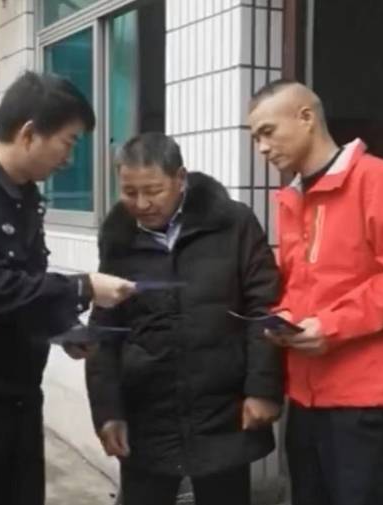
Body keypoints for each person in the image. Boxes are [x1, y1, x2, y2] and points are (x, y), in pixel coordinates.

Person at [0, 71, 136, 505]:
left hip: (20, 400)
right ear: (30, 133)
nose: (69, 159)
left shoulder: (26, 197)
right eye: (68, 142)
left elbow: (26, 285)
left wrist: (62, 328)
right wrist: (83, 287)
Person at [247, 80, 383, 505]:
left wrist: (332, 325)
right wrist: (284, 320)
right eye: (255, 137)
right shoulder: (295, 196)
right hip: (308, 400)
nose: (261, 148)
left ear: (306, 117)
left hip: (369, 403)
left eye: (267, 132)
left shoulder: (380, 179)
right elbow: (303, 283)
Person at [85, 132, 284, 505]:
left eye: (153, 190)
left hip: (223, 409)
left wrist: (263, 388)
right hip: (148, 412)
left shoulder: (233, 223)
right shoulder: (119, 238)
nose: (141, 204)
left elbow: (264, 308)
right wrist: (108, 411)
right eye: (129, 192)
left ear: (180, 178)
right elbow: (104, 329)